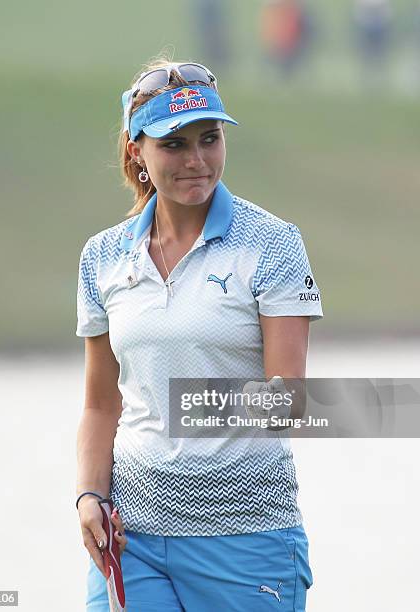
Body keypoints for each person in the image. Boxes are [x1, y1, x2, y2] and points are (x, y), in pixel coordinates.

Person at [76, 58, 323, 611]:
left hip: (245, 539)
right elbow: (99, 405)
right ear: (137, 150)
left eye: (209, 139)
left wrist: (183, 407)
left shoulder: (273, 244)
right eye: (174, 145)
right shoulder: (102, 258)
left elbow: (287, 404)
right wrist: (88, 494)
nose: (197, 161)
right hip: (130, 537)